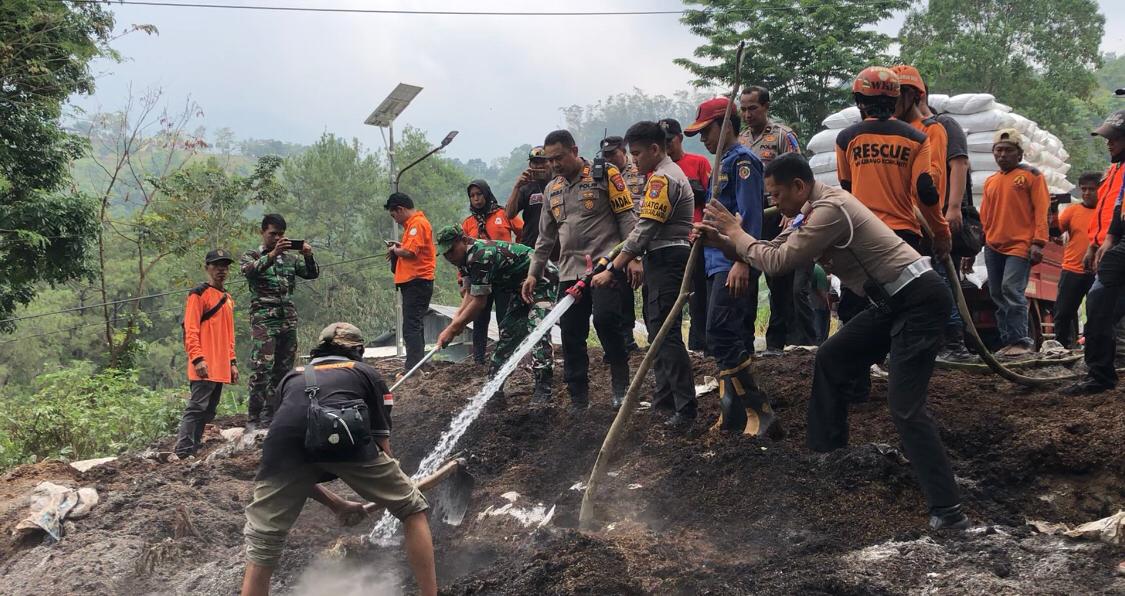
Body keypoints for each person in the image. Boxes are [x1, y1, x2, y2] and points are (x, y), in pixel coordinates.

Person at [695, 152, 969, 531]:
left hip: (918, 299)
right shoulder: (805, 214)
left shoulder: (831, 209)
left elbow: (778, 263)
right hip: (890, 302)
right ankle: (827, 458)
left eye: (775, 195)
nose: (773, 203)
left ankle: (948, 509)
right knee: (833, 356)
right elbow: (767, 252)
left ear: (798, 186)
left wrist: (737, 232)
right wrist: (724, 240)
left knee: (905, 406)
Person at [240, 323, 435, 596]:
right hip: (347, 439)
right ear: (358, 350)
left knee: (263, 543)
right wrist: (395, 493)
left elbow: (294, 463)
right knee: (413, 509)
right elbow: (383, 446)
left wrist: (336, 504)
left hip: (283, 447)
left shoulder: (291, 378)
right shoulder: (366, 373)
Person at [834, 66, 948, 403]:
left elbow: (846, 192)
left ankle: (856, 387)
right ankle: (905, 387)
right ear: (895, 98)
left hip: (861, 236)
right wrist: (941, 232)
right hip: (901, 240)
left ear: (859, 101)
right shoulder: (916, 138)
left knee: (856, 310)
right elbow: (926, 190)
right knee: (904, 312)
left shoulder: (846, 139)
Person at [592, 121, 696, 428]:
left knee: (666, 333)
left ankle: (685, 409)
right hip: (660, 257)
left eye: (636, 153)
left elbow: (645, 230)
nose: (633, 159)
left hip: (668, 256)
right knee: (656, 331)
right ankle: (665, 400)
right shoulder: (663, 175)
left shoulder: (663, 180)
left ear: (654, 149)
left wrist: (614, 267)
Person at [524, 129, 637, 411]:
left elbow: (626, 218)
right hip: (569, 272)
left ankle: (621, 388)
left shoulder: (605, 174)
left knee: (606, 320)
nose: (554, 165)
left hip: (605, 267)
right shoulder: (552, 189)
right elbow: (545, 238)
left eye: (558, 158)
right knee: (572, 334)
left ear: (574, 151)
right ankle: (578, 399)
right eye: (549, 160)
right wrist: (533, 273)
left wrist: (633, 257)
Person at [684, 97, 776, 437]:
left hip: (732, 262)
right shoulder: (721, 164)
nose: (703, 140)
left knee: (722, 332)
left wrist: (741, 260)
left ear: (724, 125)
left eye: (706, 131)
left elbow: (750, 217)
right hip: (714, 261)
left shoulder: (743, 163)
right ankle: (733, 414)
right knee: (719, 336)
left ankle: (759, 411)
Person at [435, 224, 557, 403]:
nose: (449, 257)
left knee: (537, 329)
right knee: (509, 332)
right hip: (519, 288)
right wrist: (454, 324)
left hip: (541, 279)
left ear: (463, 241)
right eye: (445, 254)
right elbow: (470, 293)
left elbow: (479, 302)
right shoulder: (464, 260)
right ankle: (494, 388)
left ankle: (543, 389)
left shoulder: (480, 256)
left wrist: (453, 329)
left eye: (451, 251)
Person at [739, 85, 815, 354]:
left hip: (777, 211)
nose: (748, 114)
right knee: (746, 273)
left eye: (753, 108)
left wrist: (790, 214)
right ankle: (745, 340)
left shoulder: (783, 136)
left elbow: (799, 175)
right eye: (744, 109)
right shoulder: (741, 140)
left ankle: (777, 341)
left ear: (766, 107)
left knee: (779, 280)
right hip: (751, 213)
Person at [1065, 110, 1125, 394]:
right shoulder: (1116, 169)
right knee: (1101, 303)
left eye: (1113, 138)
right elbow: (1115, 209)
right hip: (1118, 242)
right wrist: (1104, 241)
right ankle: (1099, 372)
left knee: (1101, 300)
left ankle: (1100, 373)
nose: (1108, 143)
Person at [241, 214, 319, 428]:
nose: (277, 238)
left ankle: (272, 414)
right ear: (262, 232)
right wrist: (273, 254)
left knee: (283, 371)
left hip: (288, 321)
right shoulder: (253, 255)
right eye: (272, 234)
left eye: (281, 235)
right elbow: (249, 272)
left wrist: (308, 255)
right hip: (264, 322)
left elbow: (311, 274)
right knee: (261, 370)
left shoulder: (290, 260)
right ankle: (254, 418)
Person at [979, 129, 1049, 358]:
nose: (1002, 155)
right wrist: (977, 246)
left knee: (1012, 290)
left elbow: (1042, 211)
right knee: (997, 294)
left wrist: (1038, 242)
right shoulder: (991, 181)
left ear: (1019, 154)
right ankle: (1008, 342)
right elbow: (986, 217)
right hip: (993, 246)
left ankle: (1021, 341)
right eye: (998, 150)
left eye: (1008, 150)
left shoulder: (1032, 176)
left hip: (1020, 246)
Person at [919, 80, 975, 361]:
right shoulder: (909, 130)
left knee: (941, 278)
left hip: (938, 216)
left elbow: (959, 164)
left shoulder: (943, 125)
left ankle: (954, 344)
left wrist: (953, 208)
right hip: (917, 220)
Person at [175, 248, 237, 458]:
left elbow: (229, 334)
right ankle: (183, 451)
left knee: (209, 411)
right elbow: (190, 329)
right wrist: (197, 358)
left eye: (225, 266)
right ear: (207, 268)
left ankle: (193, 448)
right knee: (196, 408)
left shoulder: (227, 298)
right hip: (203, 364)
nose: (221, 270)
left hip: (220, 365)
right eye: (217, 265)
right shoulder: (198, 294)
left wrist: (232, 361)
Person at [660, 117, 713, 354]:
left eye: (669, 140)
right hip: (671, 242)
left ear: (680, 138)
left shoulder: (699, 163)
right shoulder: (658, 170)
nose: (667, 146)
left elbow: (712, 197)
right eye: (662, 142)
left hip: (697, 237)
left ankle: (700, 343)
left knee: (699, 293)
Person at [462, 180, 522, 365]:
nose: (476, 199)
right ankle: (479, 359)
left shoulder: (503, 214)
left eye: (479, 194)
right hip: (480, 277)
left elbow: (522, 231)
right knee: (480, 317)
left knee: (504, 316)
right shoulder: (468, 223)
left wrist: (516, 253)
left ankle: (506, 356)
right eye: (472, 196)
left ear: (486, 194)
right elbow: (462, 252)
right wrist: (462, 280)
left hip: (504, 274)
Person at [384, 192, 436, 373]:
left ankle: (413, 366)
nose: (395, 220)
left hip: (417, 281)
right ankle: (419, 363)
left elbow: (410, 252)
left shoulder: (417, 224)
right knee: (415, 324)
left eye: (394, 215)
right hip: (414, 282)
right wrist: (399, 247)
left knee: (411, 326)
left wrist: (395, 250)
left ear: (400, 209)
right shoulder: (412, 226)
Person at [601, 135, 643, 353]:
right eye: (605, 156)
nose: (609, 159)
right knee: (621, 288)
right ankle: (626, 337)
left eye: (613, 154)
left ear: (623, 152)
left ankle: (654, 336)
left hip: (644, 234)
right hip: (617, 241)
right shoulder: (601, 176)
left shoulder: (639, 170)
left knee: (649, 288)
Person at [1053, 173, 1101, 348]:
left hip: (1099, 272)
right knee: (1063, 312)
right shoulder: (1073, 211)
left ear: (1101, 189)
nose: (1087, 193)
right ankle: (1061, 348)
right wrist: (1052, 211)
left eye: (1092, 189)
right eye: (1084, 189)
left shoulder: (1106, 212)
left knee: (1096, 313)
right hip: (1072, 269)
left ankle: (1092, 348)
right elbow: (1055, 231)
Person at [505, 146, 551, 250]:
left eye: (543, 162)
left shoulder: (559, 183)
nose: (539, 166)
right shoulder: (525, 187)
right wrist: (517, 187)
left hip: (556, 250)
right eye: (535, 163)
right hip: (531, 247)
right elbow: (509, 214)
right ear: (530, 165)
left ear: (550, 162)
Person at [811, 263, 831, 345]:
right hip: (818, 307)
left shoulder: (808, 268)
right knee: (820, 335)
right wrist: (830, 307)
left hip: (807, 306)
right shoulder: (819, 271)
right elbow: (823, 293)